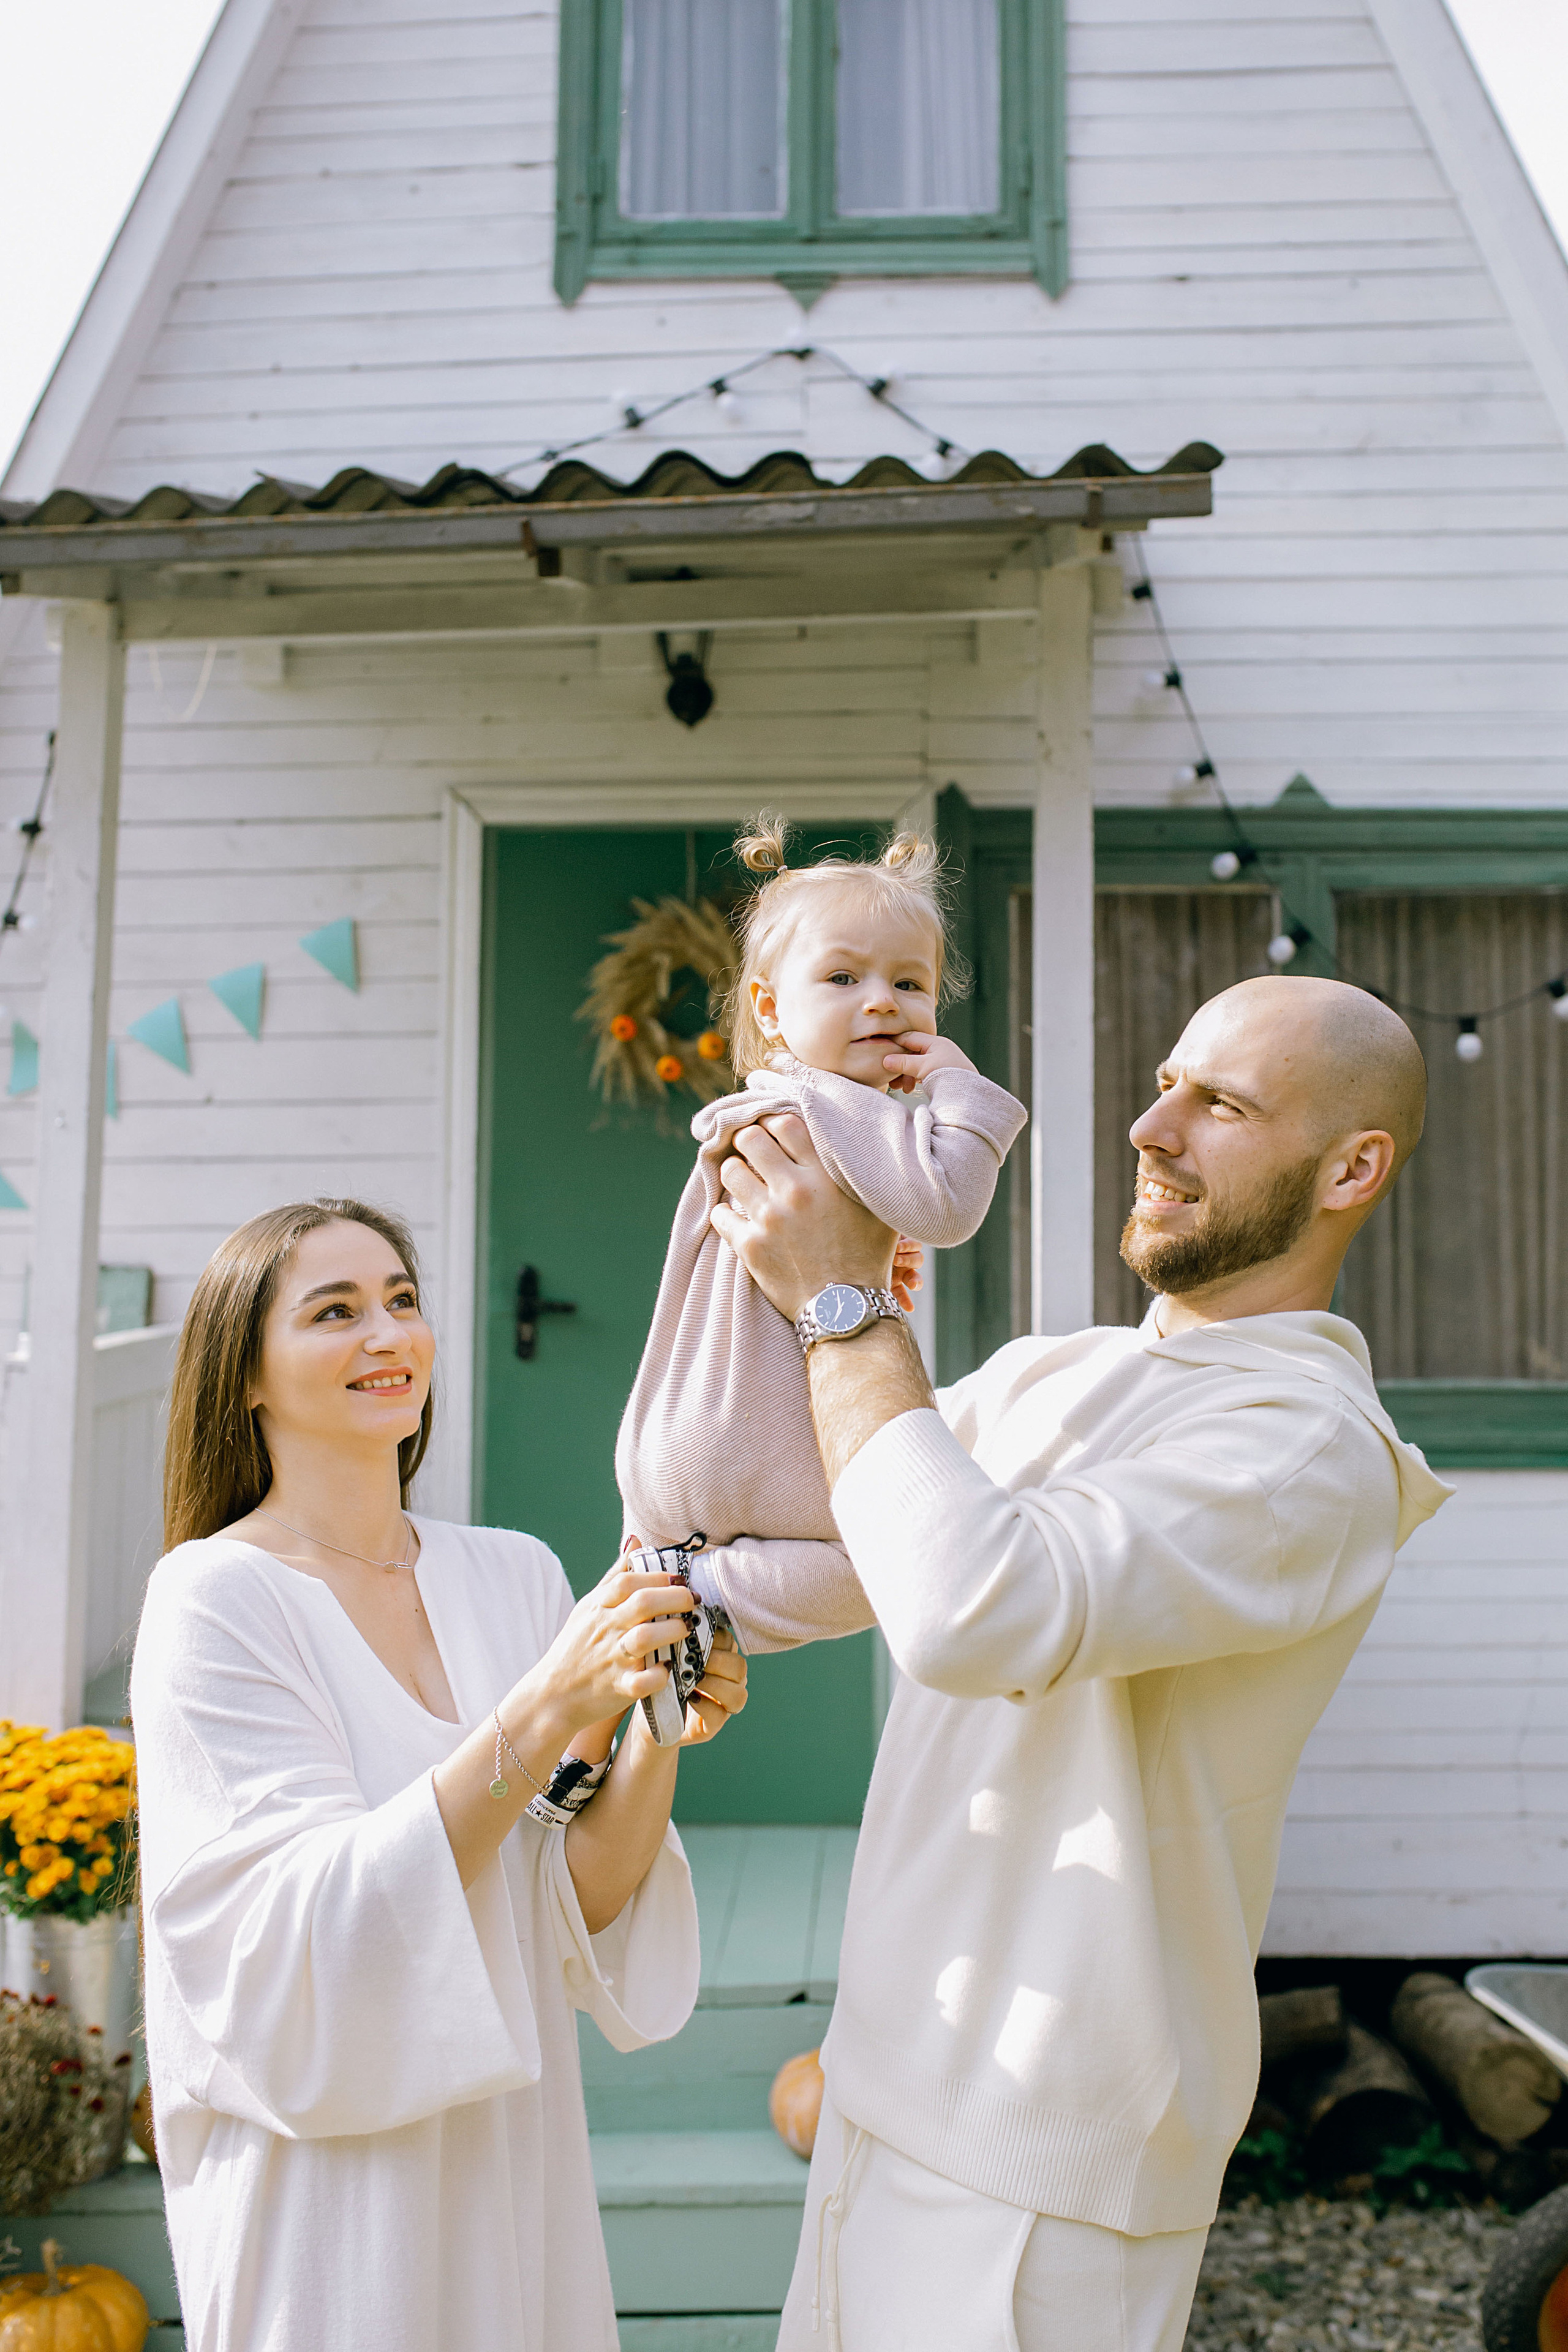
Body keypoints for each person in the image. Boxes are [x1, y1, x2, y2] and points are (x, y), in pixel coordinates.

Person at [696, 976, 1452, 2352]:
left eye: (1217, 1103)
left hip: (1038, 2165)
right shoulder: (1059, 1373)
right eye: (1164, 1082)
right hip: (887, 2086)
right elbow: (836, 1539)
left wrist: (849, 1309)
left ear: (1352, 1167)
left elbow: (970, 1610)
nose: (1150, 1127)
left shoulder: (1303, 1448)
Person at [130, 1197, 747, 2352]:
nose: (390, 1336)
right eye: (336, 1311)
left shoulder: (510, 1575)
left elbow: (574, 1906)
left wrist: (657, 1730)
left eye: (403, 1302)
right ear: (247, 1375)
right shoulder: (215, 1599)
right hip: (333, 2196)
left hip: (511, 2159)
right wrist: (550, 1703)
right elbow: (307, 1932)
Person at [617, 814, 1025, 1586]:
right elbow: (951, 1210)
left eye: (909, 983)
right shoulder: (837, 1107)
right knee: (911, 1557)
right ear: (769, 1010)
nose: (881, 1002)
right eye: (843, 979)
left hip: (676, 1442)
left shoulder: (778, 1110)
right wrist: (962, 1090)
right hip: (765, 1441)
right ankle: (716, 1599)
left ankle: (685, 1598)